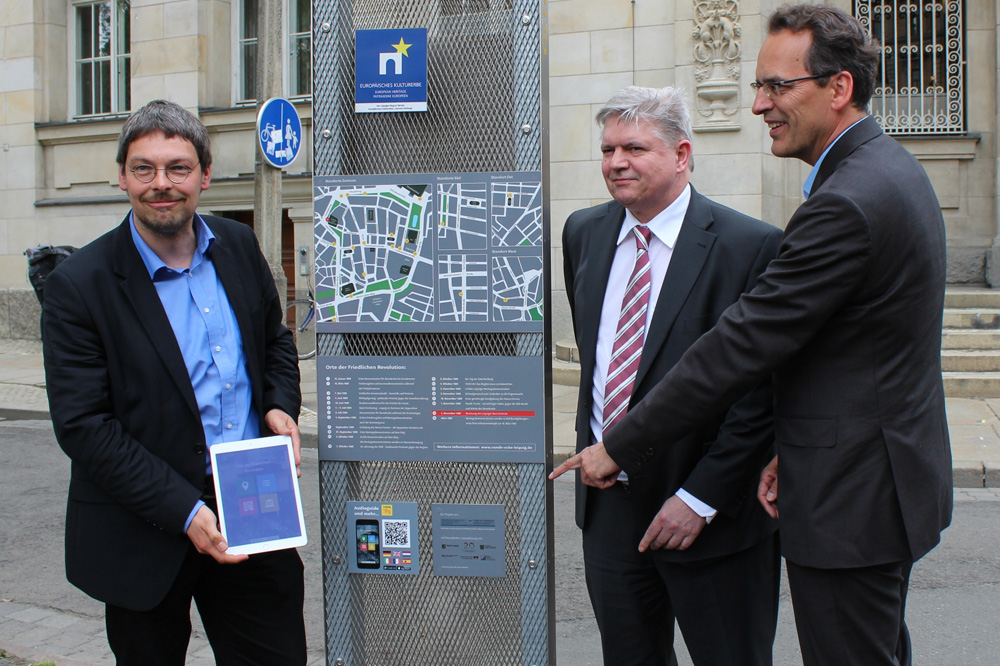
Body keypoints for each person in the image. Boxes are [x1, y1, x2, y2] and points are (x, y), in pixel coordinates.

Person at [552, 6, 952, 666]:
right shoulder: (884, 170)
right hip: (864, 477)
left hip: (850, 494)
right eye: (758, 86)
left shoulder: (842, 203)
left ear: (838, 88)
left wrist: (617, 444)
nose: (760, 103)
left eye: (775, 86)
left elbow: (742, 349)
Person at [42, 99, 306, 665]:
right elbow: (85, 427)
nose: (161, 184)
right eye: (145, 169)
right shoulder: (79, 286)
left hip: (251, 506)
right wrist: (185, 511)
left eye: (178, 168)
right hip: (143, 528)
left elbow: (274, 344)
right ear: (122, 177)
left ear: (204, 176)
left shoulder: (237, 248)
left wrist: (282, 407)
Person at [562, 86, 783, 666]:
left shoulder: (750, 246)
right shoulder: (583, 233)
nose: (616, 162)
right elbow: (599, 359)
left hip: (710, 515)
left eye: (634, 148)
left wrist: (701, 497)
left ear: (682, 155)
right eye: (608, 149)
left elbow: (761, 394)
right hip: (609, 511)